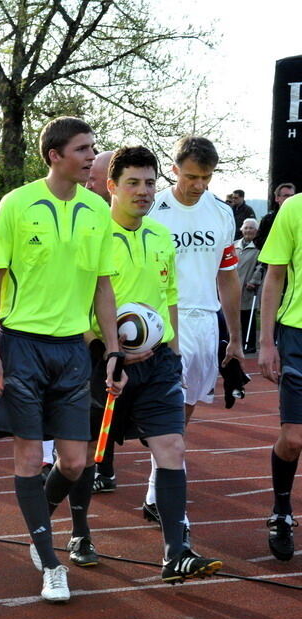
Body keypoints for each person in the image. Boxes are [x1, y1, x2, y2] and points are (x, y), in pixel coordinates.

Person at [0, 117, 123, 603]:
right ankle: (51, 562)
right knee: (27, 456)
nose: (91, 157)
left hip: (73, 351)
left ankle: (37, 525)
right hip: (21, 346)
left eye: (93, 149)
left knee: (76, 461)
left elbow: (105, 285)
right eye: (83, 149)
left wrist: (113, 350)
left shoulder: (97, 211)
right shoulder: (16, 204)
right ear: (55, 155)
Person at [74, 146, 222, 581]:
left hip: (157, 364)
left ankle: (176, 550)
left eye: (149, 182)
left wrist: (172, 352)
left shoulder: (160, 235)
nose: (143, 191)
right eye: (133, 183)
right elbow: (73, 302)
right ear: (111, 187)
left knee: (172, 447)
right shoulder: (90, 236)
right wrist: (105, 348)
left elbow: (169, 297)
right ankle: (80, 532)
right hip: (101, 362)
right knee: (81, 457)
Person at [143, 136, 243, 524]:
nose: (199, 185)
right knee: (166, 408)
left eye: (206, 177)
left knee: (182, 413)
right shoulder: (154, 209)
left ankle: (156, 488)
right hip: (163, 319)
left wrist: (234, 337)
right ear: (174, 169)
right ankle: (165, 497)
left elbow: (228, 277)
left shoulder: (221, 213)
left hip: (205, 322)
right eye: (191, 176)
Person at [257, 190, 302, 561]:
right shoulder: (295, 207)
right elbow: (274, 275)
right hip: (297, 333)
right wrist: (266, 341)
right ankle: (282, 511)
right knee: (293, 438)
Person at [234, 219, 264, 353]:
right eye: (246, 228)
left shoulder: (258, 248)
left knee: (247, 317)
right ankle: (234, 343)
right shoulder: (234, 246)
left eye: (251, 228)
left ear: (256, 231)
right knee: (233, 318)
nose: (248, 230)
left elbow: (260, 267)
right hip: (233, 288)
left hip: (247, 287)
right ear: (241, 229)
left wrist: (254, 281)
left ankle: (250, 345)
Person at [256, 182, 295, 249]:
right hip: (273, 257)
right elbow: (257, 241)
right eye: (286, 196)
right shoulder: (268, 219)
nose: (290, 198)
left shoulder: (299, 217)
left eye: (292, 196)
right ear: (277, 198)